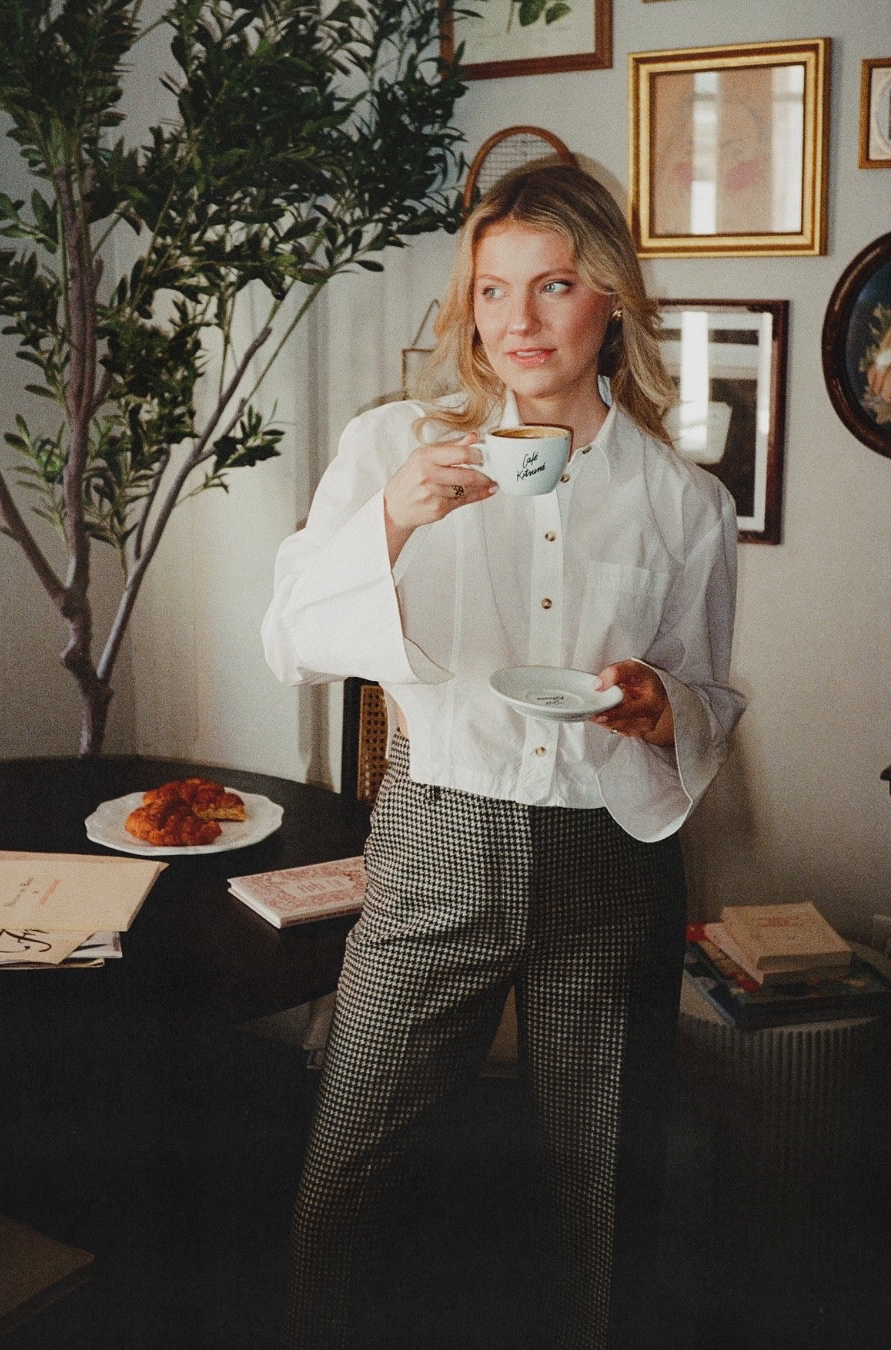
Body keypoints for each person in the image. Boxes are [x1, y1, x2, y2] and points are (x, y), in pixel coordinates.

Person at [261, 162, 746, 1350]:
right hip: (437, 845)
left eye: (556, 285)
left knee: (604, 1199)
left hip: (611, 871)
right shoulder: (396, 445)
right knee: (344, 1184)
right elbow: (292, 640)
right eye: (492, 290)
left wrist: (660, 705)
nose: (518, 321)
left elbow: (708, 693)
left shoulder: (681, 500)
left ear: (612, 299)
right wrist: (394, 520)